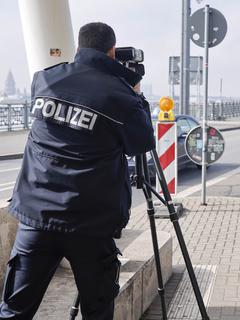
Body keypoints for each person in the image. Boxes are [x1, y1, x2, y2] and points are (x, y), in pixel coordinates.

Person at [0, 22, 154, 319]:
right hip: (90, 224)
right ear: (112, 51)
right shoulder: (120, 96)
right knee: (97, 311)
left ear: (78, 48)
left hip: (36, 217)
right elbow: (142, 142)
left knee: (14, 311)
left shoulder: (43, 80)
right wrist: (134, 90)